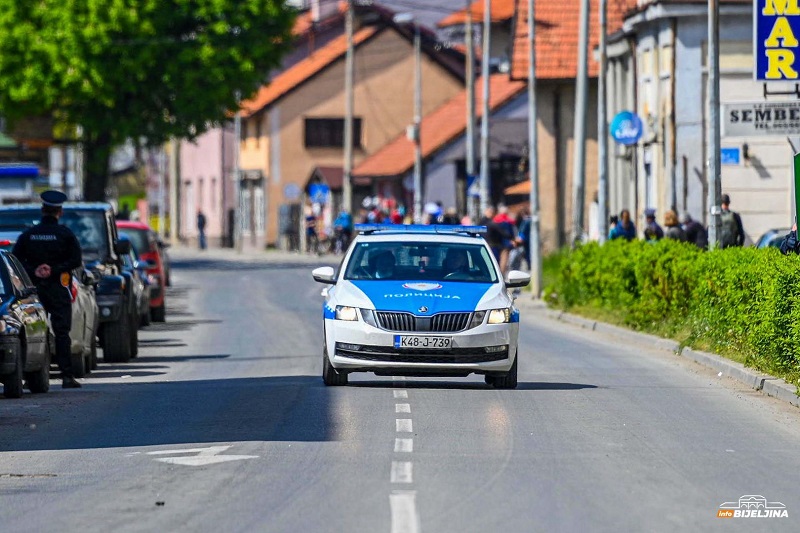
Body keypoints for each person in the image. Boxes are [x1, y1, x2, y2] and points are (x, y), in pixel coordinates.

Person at [12, 191, 83, 389]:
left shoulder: (28, 235)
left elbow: (16, 261)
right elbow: (76, 260)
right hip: (58, 288)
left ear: (43, 210)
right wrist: (54, 270)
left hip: (34, 290)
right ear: (59, 212)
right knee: (62, 333)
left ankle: (31, 376)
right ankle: (67, 377)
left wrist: (35, 270)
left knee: (34, 331)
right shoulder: (65, 234)